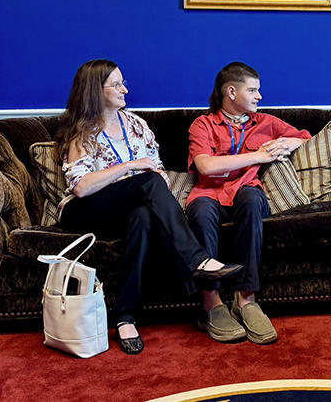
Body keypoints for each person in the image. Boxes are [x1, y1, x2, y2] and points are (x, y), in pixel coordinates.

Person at [55, 59, 243, 355]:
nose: (124, 89)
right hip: (86, 210)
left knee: (142, 215)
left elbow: (160, 173)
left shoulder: (136, 124)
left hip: (131, 207)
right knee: (148, 184)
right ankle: (196, 261)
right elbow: (81, 187)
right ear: (95, 89)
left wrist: (150, 183)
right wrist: (131, 166)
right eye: (116, 84)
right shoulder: (82, 131)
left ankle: (125, 318)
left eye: (123, 82)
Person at [186, 61, 311, 345]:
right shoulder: (202, 125)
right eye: (253, 90)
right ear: (231, 92)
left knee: (253, 198)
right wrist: (259, 156)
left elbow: (305, 138)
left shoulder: (266, 122)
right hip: (210, 194)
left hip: (245, 190)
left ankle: (245, 299)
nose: (259, 96)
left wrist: (286, 144)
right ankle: (211, 303)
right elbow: (205, 166)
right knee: (201, 211)